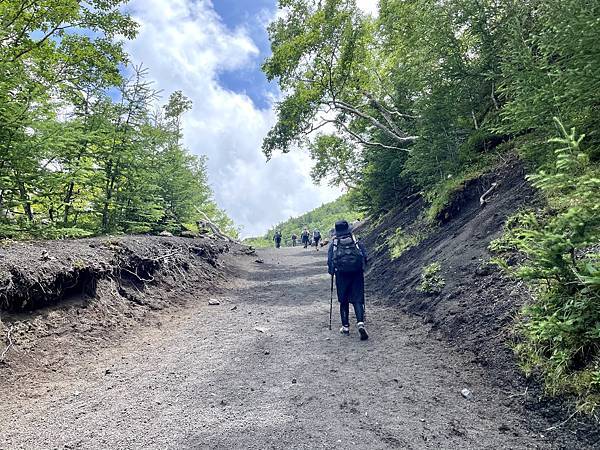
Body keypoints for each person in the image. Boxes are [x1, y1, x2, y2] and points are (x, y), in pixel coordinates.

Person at [327, 220, 369, 340]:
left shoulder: (334, 244)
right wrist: (362, 268)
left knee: (343, 300)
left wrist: (332, 272)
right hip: (356, 273)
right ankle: (360, 323)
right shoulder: (355, 241)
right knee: (357, 299)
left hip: (341, 275)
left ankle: (345, 327)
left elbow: (330, 262)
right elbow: (364, 256)